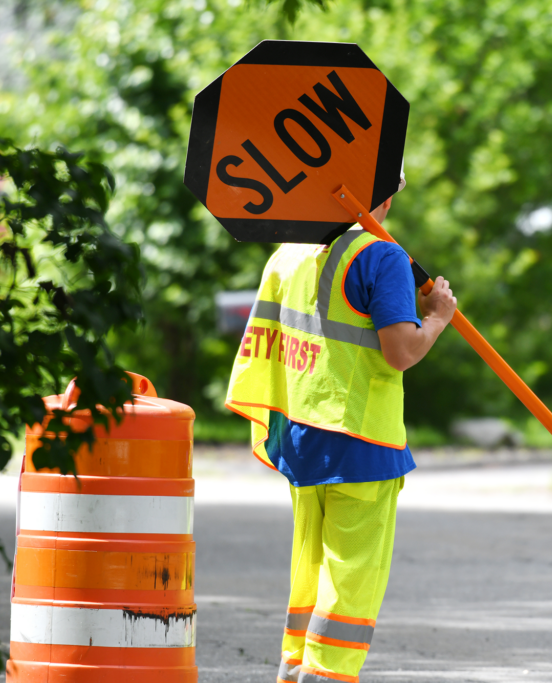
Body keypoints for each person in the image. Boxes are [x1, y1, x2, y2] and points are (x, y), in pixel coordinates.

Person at [224, 175, 457, 683]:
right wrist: (438, 317)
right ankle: (326, 675)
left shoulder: (288, 252)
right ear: (386, 194)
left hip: (301, 431)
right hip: (361, 439)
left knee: (311, 563)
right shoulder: (381, 255)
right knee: (352, 572)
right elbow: (401, 351)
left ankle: (294, 667)